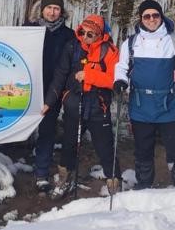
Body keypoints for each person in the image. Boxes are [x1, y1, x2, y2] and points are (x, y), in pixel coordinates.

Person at [113, 0, 175, 189]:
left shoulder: (174, 40)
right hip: (140, 105)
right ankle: (144, 186)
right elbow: (122, 66)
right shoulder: (131, 43)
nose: (151, 19)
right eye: (146, 16)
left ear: (161, 16)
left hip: (168, 104)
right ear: (141, 19)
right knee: (143, 149)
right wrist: (120, 81)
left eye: (155, 15)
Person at [45, 14, 121, 198]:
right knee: (69, 145)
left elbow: (114, 80)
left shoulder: (110, 51)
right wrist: (49, 102)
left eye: (90, 34)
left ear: (100, 34)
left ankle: (114, 183)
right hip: (74, 103)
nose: (85, 37)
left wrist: (89, 75)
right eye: (82, 32)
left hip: (98, 105)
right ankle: (64, 179)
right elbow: (60, 75)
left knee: (105, 146)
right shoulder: (72, 46)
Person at [26, 0, 74, 192]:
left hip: (53, 88)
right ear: (42, 10)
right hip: (28, 87)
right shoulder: (28, 30)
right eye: (49, 8)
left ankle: (41, 173)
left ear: (61, 12)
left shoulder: (68, 35)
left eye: (56, 9)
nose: (52, 12)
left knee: (47, 129)